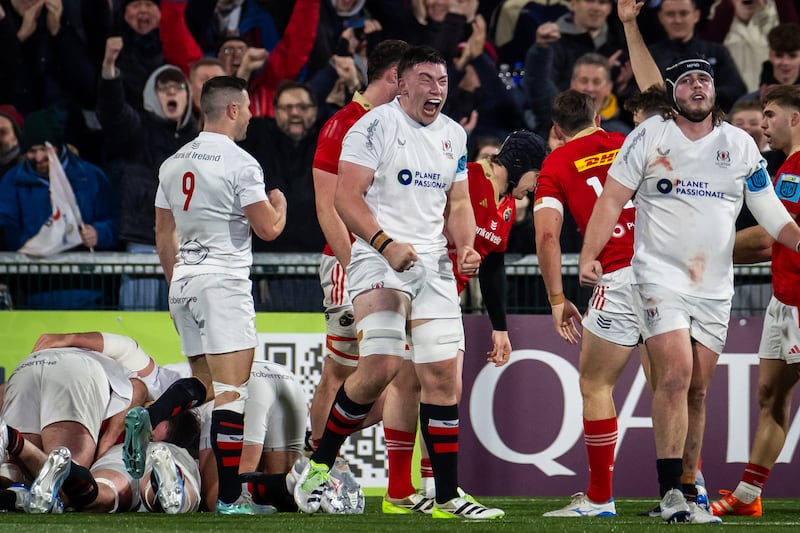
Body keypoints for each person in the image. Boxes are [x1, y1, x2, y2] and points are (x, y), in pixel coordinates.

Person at [578, 55, 800, 524]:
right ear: (673, 92)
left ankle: (686, 487)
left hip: (715, 288)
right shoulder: (649, 135)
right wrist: (589, 254)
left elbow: (772, 213)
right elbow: (613, 198)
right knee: (675, 374)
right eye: (687, 81)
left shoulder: (740, 145)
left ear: (714, 90)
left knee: (697, 390)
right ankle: (671, 495)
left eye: (705, 79)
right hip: (657, 277)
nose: (697, 86)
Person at [293, 45, 503, 520]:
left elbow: (461, 202)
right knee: (381, 367)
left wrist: (467, 245)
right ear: (402, 83)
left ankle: (448, 496)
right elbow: (345, 199)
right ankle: (319, 464)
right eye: (426, 80)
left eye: (443, 82)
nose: (437, 90)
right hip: (376, 257)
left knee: (442, 375)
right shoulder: (371, 126)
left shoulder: (453, 134)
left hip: (431, 262)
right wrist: (387, 245)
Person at [149, 75, 287, 514]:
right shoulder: (241, 162)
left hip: (184, 283)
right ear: (231, 110)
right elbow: (267, 228)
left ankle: (148, 419)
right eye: (247, 108)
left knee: (206, 387)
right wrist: (280, 205)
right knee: (233, 392)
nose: (250, 115)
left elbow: (162, 232)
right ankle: (230, 498)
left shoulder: (172, 163)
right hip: (223, 283)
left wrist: (177, 283)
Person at [310, 38, 430, 514]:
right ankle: (320, 464)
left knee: (398, 375)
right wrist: (357, 265)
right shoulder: (345, 124)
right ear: (395, 77)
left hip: (393, 265)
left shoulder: (397, 125)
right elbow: (327, 205)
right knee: (344, 372)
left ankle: (320, 453)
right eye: (413, 78)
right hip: (354, 264)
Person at [534, 89, 634, 519]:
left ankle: (599, 498)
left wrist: (557, 299)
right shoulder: (628, 143)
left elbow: (546, 237)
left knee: (596, 386)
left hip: (617, 278)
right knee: (675, 390)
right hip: (666, 276)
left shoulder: (555, 163)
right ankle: (687, 492)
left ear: (556, 130)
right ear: (598, 115)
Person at [710, 84, 800, 518]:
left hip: (799, 302)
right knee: (770, 394)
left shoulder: (798, 167)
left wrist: (704, 246)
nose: (763, 124)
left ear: (794, 119)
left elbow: (768, 239)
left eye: (770, 114)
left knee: (776, 394)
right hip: (782, 300)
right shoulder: (786, 167)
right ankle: (748, 495)